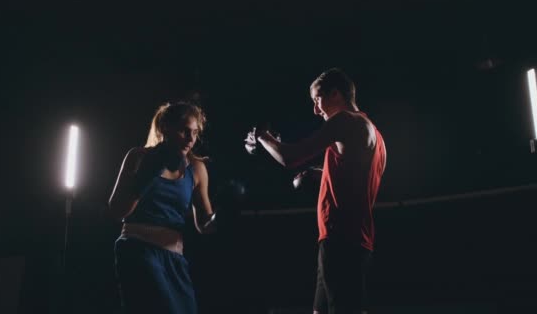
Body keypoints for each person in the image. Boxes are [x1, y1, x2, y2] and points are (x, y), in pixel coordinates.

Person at [245, 68, 386, 314]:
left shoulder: (346, 121)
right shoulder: (373, 133)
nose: (315, 109)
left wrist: (261, 136)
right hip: (346, 238)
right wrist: (318, 175)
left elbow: (289, 157)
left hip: (342, 237)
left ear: (335, 95)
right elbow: (357, 178)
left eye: (317, 100)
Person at [107, 101, 216, 314]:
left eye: (195, 132)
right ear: (166, 127)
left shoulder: (196, 169)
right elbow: (116, 210)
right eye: (185, 131)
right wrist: (146, 175)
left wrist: (226, 215)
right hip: (138, 249)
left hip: (175, 258)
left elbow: (204, 225)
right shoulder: (139, 157)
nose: (191, 138)